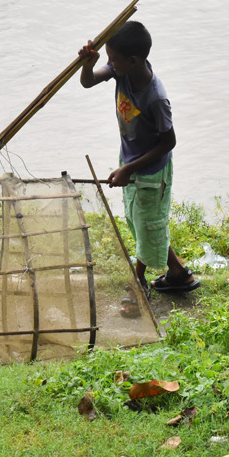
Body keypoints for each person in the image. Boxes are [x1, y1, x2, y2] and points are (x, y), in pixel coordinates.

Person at [78, 20, 199, 312]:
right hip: (130, 163)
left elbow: (168, 142)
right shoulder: (122, 73)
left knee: (147, 223)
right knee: (139, 222)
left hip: (151, 173)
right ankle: (179, 275)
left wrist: (129, 170)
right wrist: (88, 63)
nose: (109, 63)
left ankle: (138, 283)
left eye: (112, 59)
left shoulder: (156, 97)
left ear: (132, 61)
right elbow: (87, 81)